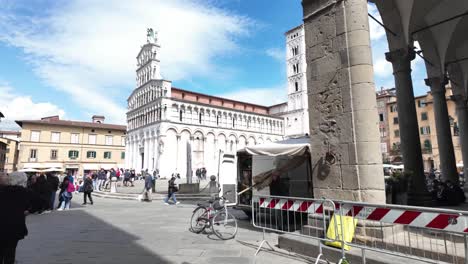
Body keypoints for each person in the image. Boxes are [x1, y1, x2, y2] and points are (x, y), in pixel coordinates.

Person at [0, 172, 39, 264]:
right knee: (10, 252)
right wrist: (29, 211)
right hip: (14, 227)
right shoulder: (25, 192)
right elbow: (42, 202)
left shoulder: (2, 190)